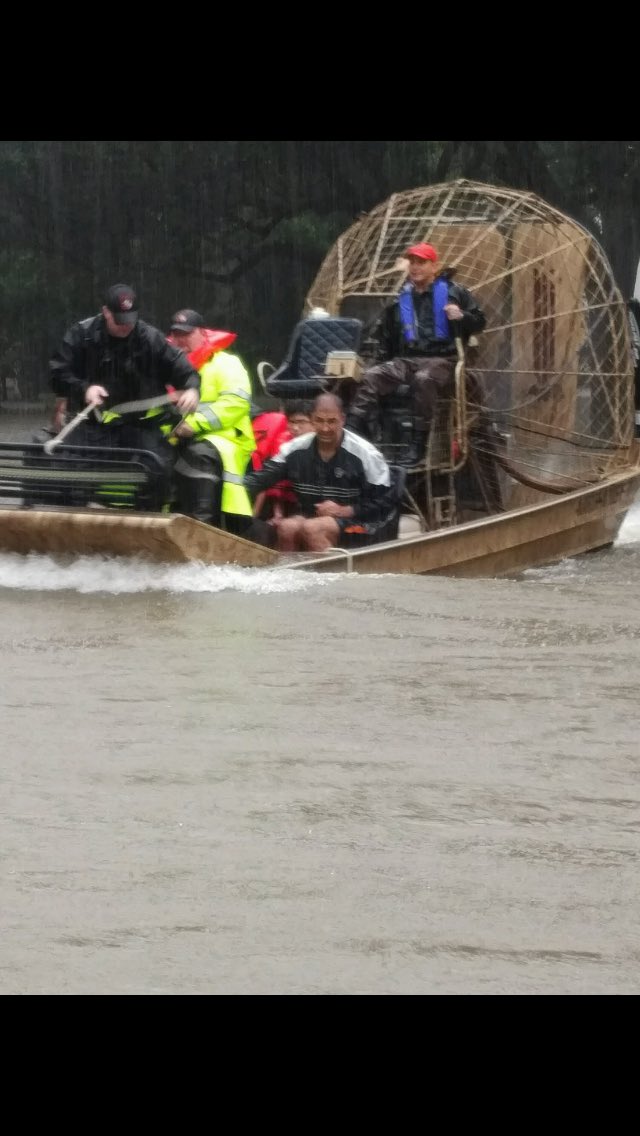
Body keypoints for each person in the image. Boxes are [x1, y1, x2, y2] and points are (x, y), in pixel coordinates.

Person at [49, 284, 200, 503]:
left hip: (141, 426)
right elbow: (58, 373)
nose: (125, 326)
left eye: (130, 319)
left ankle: (148, 523)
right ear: (106, 312)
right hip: (93, 424)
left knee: (158, 468)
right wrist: (84, 389)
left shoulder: (150, 338)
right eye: (119, 320)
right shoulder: (81, 335)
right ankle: (75, 522)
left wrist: (192, 389)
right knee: (68, 469)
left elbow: (185, 371)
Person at [346, 242, 486, 464]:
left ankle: (418, 443)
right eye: (412, 262)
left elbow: (479, 322)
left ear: (434, 266)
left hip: (443, 360)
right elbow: (387, 338)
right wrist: (377, 360)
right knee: (373, 376)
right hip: (408, 360)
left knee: (424, 379)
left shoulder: (454, 292)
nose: (416, 267)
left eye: (422, 262)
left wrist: (461, 316)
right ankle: (350, 431)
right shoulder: (400, 299)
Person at [244, 392, 396, 552]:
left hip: (362, 524)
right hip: (311, 517)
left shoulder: (366, 453)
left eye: (332, 421)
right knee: (287, 527)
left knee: (313, 528)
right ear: (312, 419)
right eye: (319, 420)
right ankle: (293, 574)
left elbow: (387, 501)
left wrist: (347, 510)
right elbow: (260, 479)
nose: (325, 428)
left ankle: (329, 575)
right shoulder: (294, 449)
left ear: (342, 419)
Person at [167, 309, 255, 532]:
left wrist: (193, 424)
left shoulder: (226, 363)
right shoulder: (166, 366)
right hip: (178, 438)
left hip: (224, 438)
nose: (180, 340)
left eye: (186, 334)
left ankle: (201, 527)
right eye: (176, 334)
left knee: (199, 455)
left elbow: (236, 402)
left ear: (202, 333)